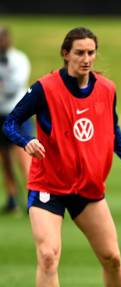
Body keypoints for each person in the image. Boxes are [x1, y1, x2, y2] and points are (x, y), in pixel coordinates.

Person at [3, 27, 121, 287]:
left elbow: (112, 126)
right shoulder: (45, 88)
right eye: (79, 53)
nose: (86, 58)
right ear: (66, 54)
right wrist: (26, 141)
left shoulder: (107, 89)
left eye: (90, 52)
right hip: (49, 187)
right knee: (47, 256)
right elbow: (10, 123)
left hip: (87, 188)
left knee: (112, 256)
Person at [0, 27, 31, 213]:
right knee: (4, 158)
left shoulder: (19, 59)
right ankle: (11, 197)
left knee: (24, 156)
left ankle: (31, 198)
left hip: (17, 113)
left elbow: (13, 87)